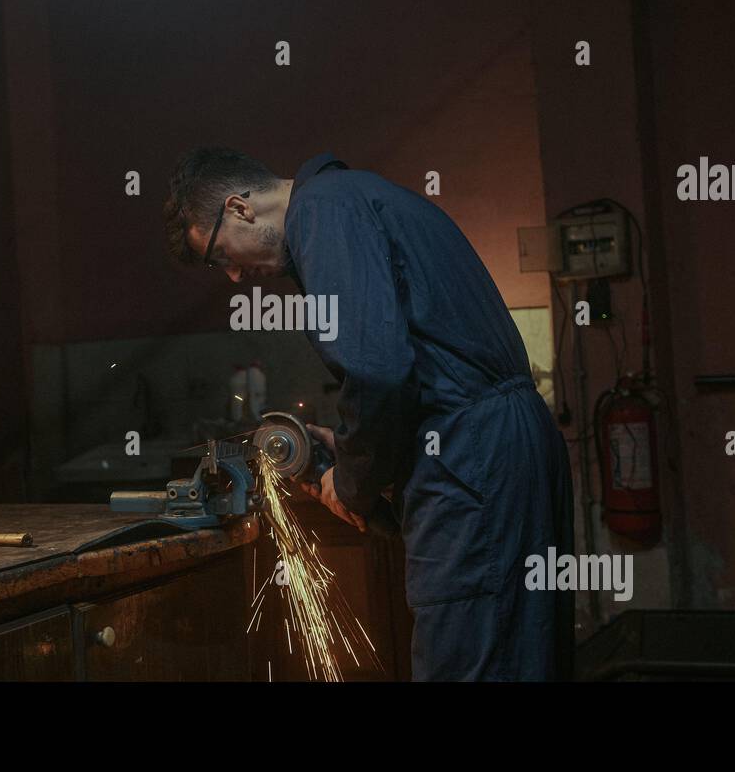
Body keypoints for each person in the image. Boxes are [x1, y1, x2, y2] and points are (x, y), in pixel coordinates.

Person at [163, 147, 574, 680]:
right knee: (521, 659)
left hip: (473, 460)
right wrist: (348, 447)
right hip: (498, 445)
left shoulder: (322, 213)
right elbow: (410, 371)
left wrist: (352, 483)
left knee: (466, 660)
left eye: (221, 255)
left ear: (240, 208)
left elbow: (378, 371)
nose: (235, 276)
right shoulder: (353, 199)